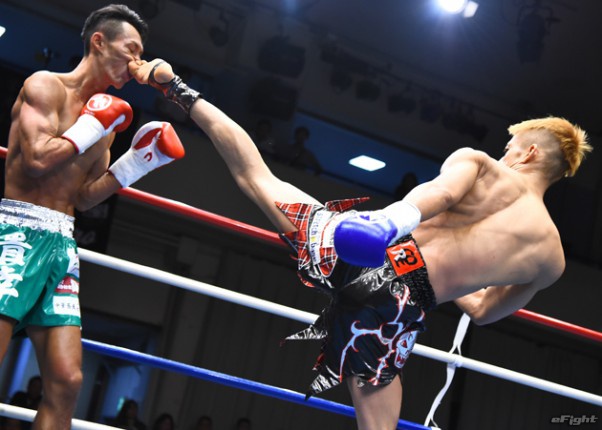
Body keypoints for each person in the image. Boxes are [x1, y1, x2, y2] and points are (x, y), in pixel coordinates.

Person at [129, 59, 591, 430]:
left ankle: (178, 89)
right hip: (404, 305)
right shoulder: (551, 258)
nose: (504, 153)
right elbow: (485, 311)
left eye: (511, 147)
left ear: (529, 152)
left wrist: (387, 224)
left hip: (373, 247)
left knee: (259, 178)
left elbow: (441, 194)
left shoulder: (482, 165)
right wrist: (447, 277)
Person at [0, 5, 184, 429]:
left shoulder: (110, 120)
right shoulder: (45, 86)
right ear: (98, 42)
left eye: (141, 55)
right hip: (16, 232)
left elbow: (83, 199)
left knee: (67, 382)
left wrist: (133, 166)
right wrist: (89, 126)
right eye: (131, 49)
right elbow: (36, 161)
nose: (136, 63)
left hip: (62, 244)